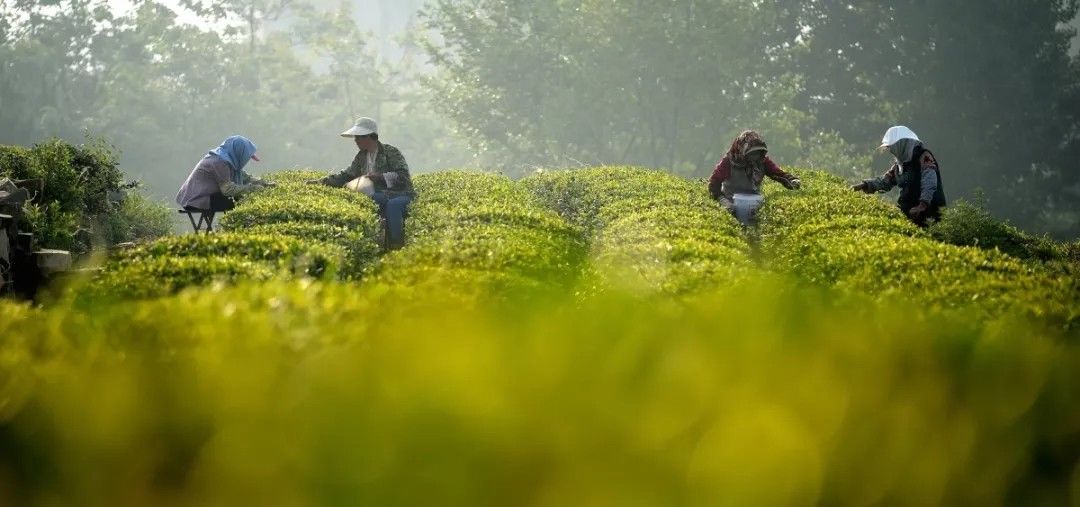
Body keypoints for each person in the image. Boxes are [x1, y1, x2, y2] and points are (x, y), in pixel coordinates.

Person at [308, 117, 415, 250]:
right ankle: (373, 244)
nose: (356, 141)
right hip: (381, 194)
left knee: (393, 205)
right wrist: (321, 182)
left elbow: (404, 177)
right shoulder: (361, 156)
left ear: (370, 137)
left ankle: (397, 246)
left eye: (358, 137)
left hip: (401, 193)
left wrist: (380, 177)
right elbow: (346, 175)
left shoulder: (391, 152)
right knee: (372, 200)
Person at [852, 126, 946, 225]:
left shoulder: (924, 157)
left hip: (928, 213)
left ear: (901, 144)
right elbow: (885, 181)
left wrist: (922, 205)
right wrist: (863, 185)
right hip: (909, 212)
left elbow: (929, 183)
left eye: (890, 146)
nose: (890, 150)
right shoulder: (899, 165)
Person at [708, 130, 802, 214]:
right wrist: (722, 200)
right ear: (742, 150)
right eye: (752, 153)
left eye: (757, 153)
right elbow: (714, 182)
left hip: (753, 199)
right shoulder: (729, 161)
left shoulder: (762, 162)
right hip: (731, 199)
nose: (755, 156)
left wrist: (791, 180)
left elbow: (777, 173)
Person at [176, 135, 272, 212]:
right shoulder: (220, 162)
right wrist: (252, 189)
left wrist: (265, 184)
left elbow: (246, 178)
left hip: (201, 198)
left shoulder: (228, 160)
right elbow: (228, 189)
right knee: (242, 200)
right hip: (196, 200)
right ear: (239, 153)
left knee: (242, 197)